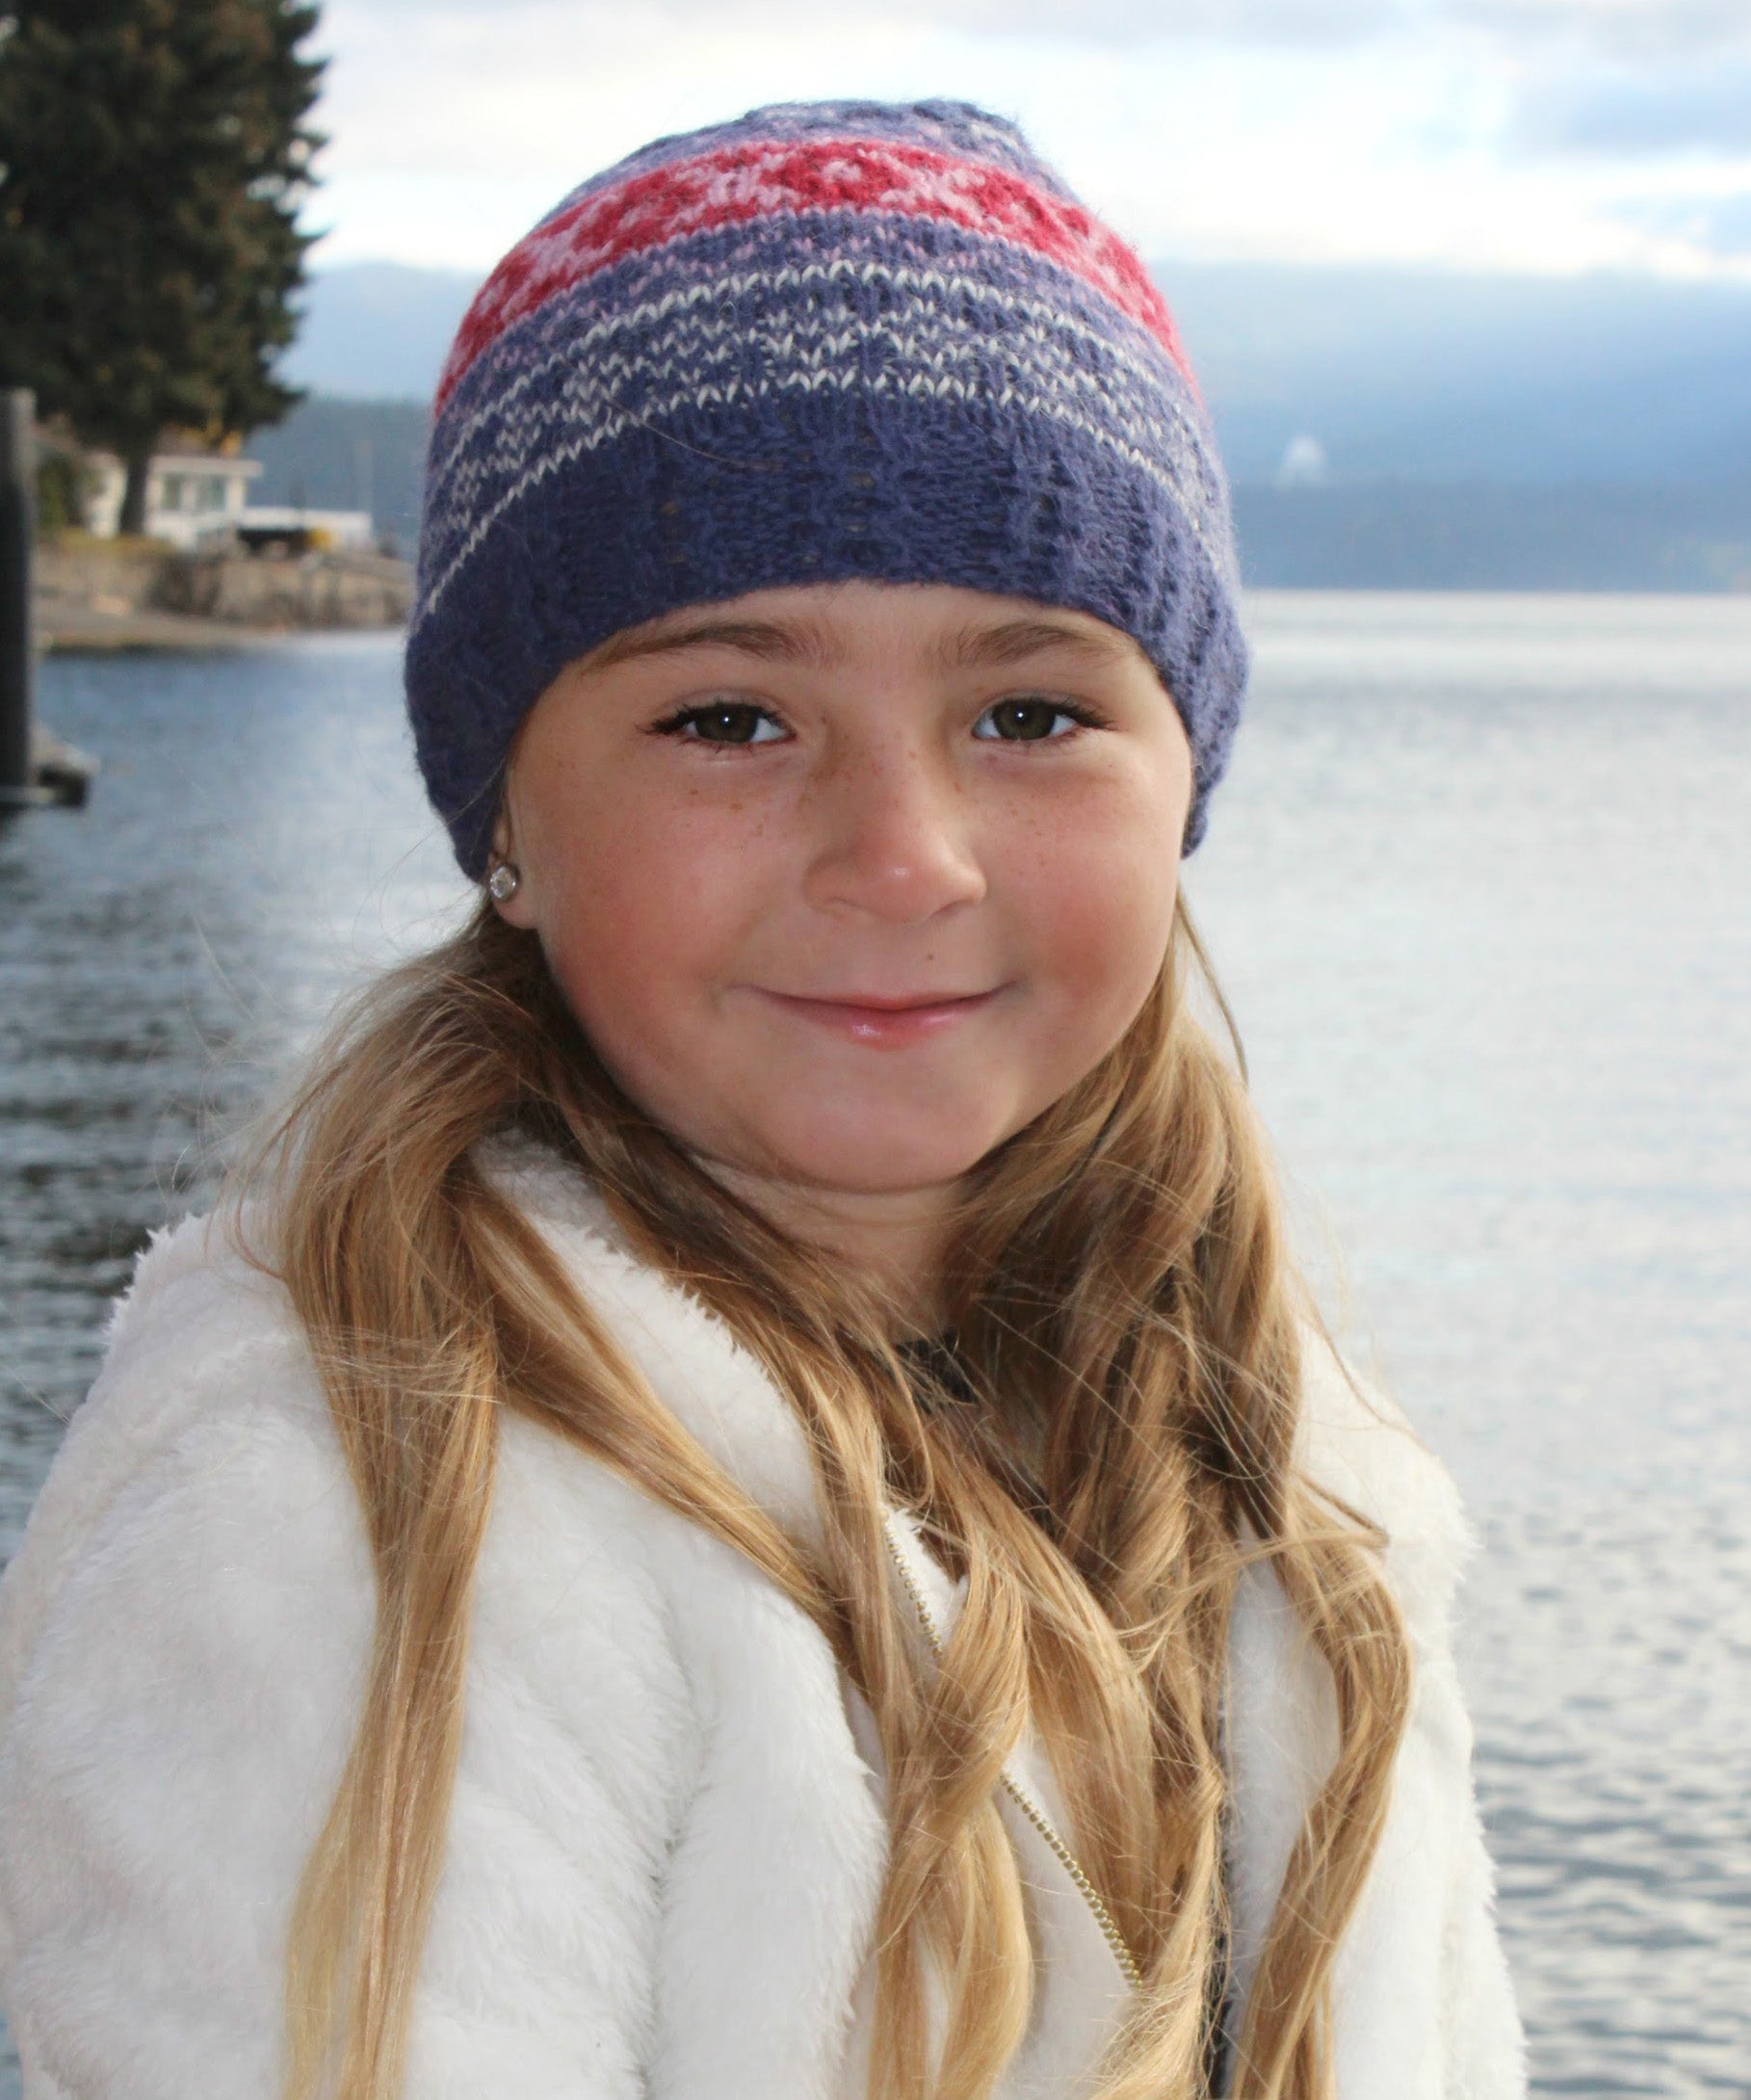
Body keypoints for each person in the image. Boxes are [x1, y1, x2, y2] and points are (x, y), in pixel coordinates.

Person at [0, 100, 1525, 2100]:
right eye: (727, 717)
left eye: (1031, 712)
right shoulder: (341, 1517)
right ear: (507, 814)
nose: (902, 858)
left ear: (1185, 778)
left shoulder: (1294, 1470)